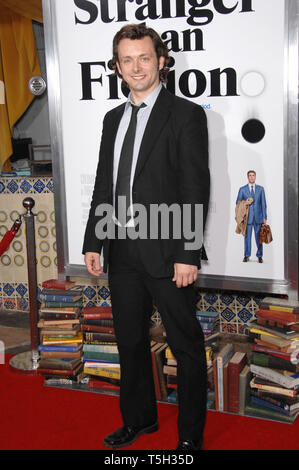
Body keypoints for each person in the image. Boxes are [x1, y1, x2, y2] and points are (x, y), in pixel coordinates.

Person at [82, 24, 210, 451]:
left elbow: (195, 187)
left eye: (144, 58)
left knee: (186, 346)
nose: (136, 67)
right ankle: (140, 420)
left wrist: (188, 252)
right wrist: (93, 241)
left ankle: (190, 437)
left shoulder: (186, 114)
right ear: (117, 66)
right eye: (127, 59)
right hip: (121, 251)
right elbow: (105, 182)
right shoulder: (112, 119)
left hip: (170, 251)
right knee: (130, 340)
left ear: (161, 61)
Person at [236, 170, 267, 263]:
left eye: (253, 175)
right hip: (247, 218)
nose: (252, 177)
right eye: (250, 175)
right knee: (247, 238)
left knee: (259, 238)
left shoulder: (261, 189)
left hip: (258, 217)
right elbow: (237, 202)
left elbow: (263, 204)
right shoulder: (242, 189)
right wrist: (246, 202)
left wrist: (264, 217)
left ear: (255, 177)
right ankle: (246, 255)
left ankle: (259, 256)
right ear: (247, 177)